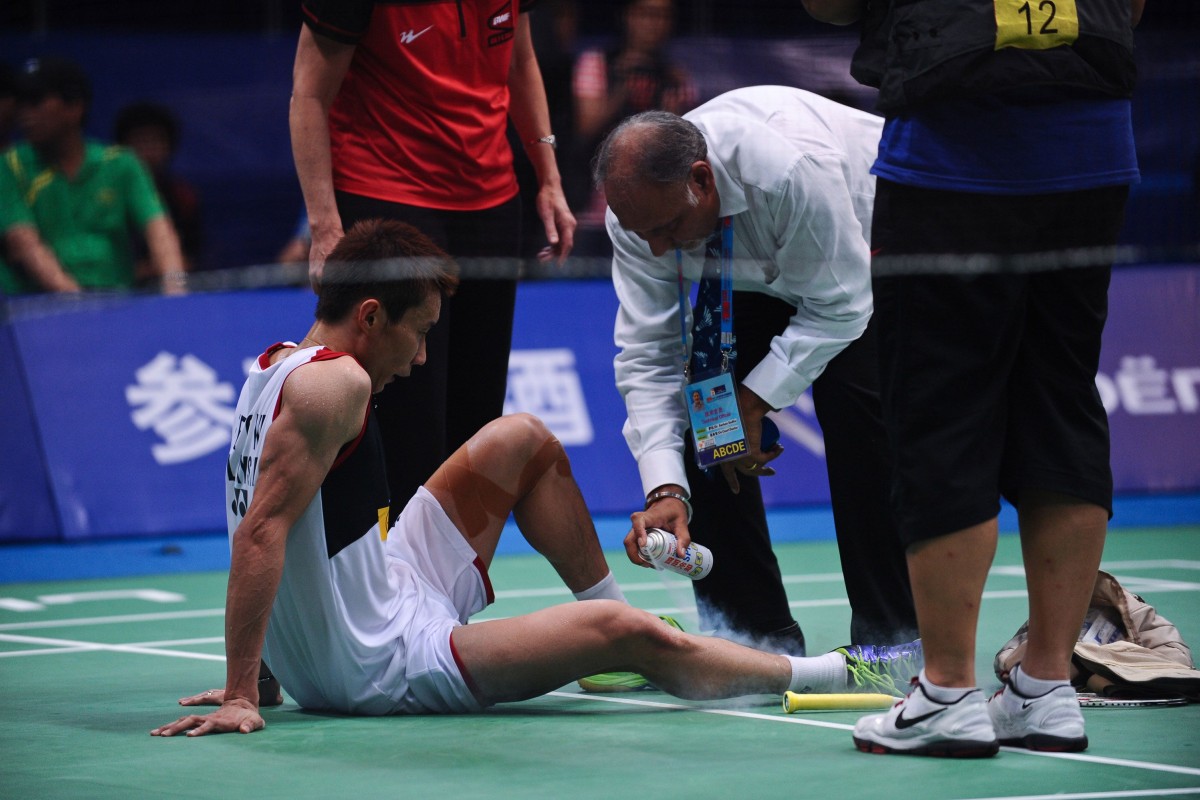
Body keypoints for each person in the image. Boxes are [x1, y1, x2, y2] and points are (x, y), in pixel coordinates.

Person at [149, 218, 919, 737]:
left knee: (521, 439)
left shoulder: (277, 368)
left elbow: (274, 517)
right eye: (420, 334)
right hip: (380, 662)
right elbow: (262, 531)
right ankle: (836, 671)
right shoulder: (338, 384)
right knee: (623, 636)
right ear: (372, 316)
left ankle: (608, 630)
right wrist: (244, 691)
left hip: (383, 592)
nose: (422, 358)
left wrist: (271, 670)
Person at [802, 0, 1145, 758]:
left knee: (941, 415)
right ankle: (1046, 689)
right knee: (1062, 401)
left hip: (954, 152)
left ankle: (947, 694)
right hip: (1093, 144)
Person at [592, 87, 918, 663]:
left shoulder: (787, 169)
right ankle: (752, 640)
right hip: (751, 269)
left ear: (701, 180)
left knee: (862, 418)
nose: (658, 249)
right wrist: (666, 488)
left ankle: (894, 641)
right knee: (707, 419)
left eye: (668, 227)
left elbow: (842, 309)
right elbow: (648, 354)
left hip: (872, 250)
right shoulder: (640, 217)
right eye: (645, 234)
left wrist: (755, 400)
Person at [290, 0, 577, 518]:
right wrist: (325, 225)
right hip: (387, 189)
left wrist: (548, 176)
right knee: (409, 414)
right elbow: (309, 94)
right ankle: (391, 557)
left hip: (491, 200)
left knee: (477, 421)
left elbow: (520, 61)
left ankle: (454, 568)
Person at [0, 57, 186, 295]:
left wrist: (176, 288)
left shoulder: (121, 163)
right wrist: (77, 301)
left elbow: (159, 231)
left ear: (75, 107)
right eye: (21, 104)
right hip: (39, 306)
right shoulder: (9, 166)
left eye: (36, 101)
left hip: (117, 299)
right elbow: (24, 242)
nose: (25, 114)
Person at [571, 0, 696, 231]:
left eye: (663, 16)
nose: (653, 24)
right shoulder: (597, 63)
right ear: (627, 16)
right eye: (645, 14)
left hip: (653, 206)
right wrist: (623, 87)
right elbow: (585, 128)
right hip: (594, 205)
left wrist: (671, 116)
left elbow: (685, 151)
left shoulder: (675, 78)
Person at [114, 101, 205, 274]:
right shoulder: (108, 197)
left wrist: (171, 271)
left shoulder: (183, 197)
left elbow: (195, 256)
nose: (148, 152)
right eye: (140, 141)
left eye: (155, 141)